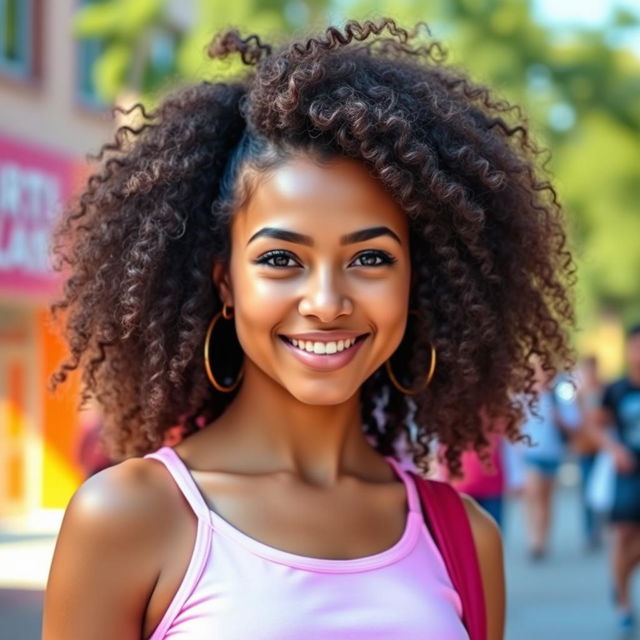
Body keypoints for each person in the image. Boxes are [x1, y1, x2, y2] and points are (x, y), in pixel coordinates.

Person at [42, 19, 575, 640]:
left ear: (415, 282)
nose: (325, 302)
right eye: (280, 259)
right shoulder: (130, 516)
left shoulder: (464, 538)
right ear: (225, 283)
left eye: (371, 259)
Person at [593, 325, 640, 632]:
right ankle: (623, 601)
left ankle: (619, 577)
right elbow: (593, 426)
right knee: (622, 535)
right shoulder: (617, 389)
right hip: (627, 472)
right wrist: (614, 449)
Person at [519, 361, 579, 560]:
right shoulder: (525, 397)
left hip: (552, 454)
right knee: (533, 494)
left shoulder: (560, 397)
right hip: (531, 455)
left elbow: (574, 423)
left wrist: (559, 418)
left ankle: (542, 538)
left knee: (545, 498)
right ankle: (533, 538)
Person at [572, 355, 606, 550]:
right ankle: (589, 531)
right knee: (586, 491)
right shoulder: (579, 394)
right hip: (585, 448)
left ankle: (599, 528)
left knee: (600, 491)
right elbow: (574, 420)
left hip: (601, 448)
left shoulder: (603, 390)